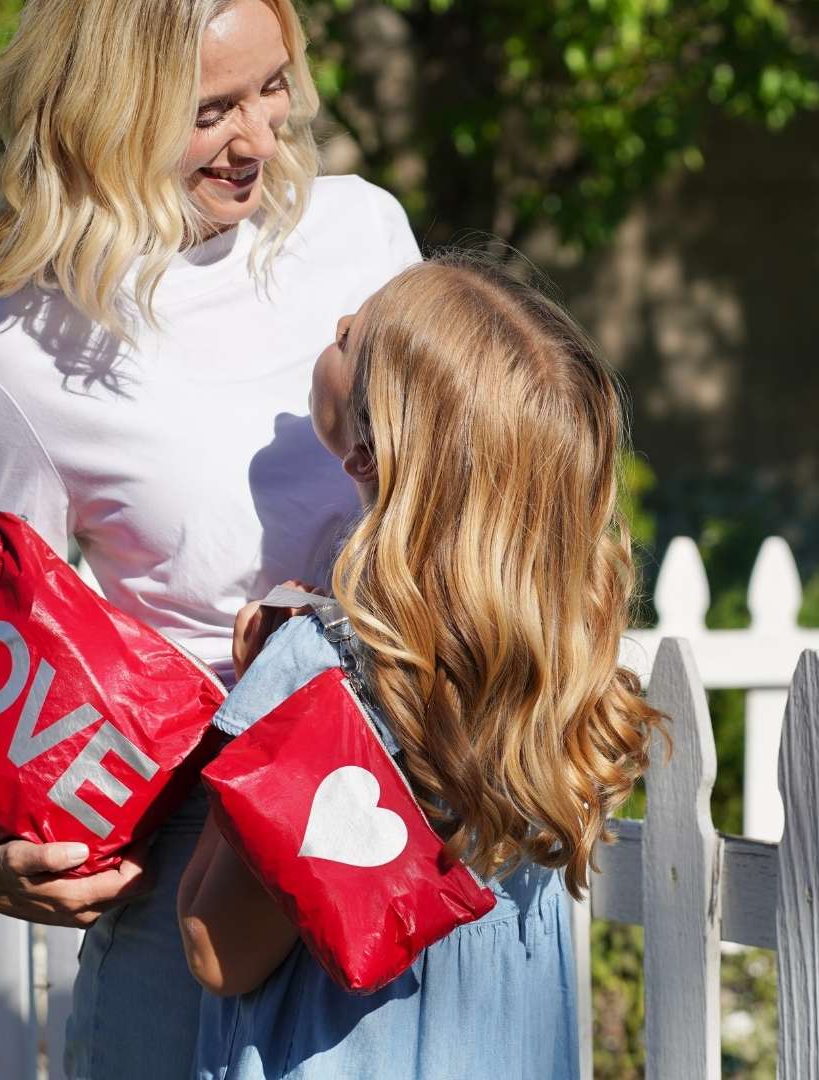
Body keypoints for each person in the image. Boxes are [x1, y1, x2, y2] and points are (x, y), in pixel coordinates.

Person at [0, 0, 421, 1076]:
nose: (259, 138)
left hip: (416, 815)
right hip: (201, 872)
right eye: (211, 110)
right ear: (107, 110)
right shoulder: (20, 358)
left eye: (271, 88)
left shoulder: (364, 234)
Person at [177, 254, 668, 1079]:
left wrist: (268, 704)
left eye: (349, 336)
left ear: (367, 455)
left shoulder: (322, 670)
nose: (330, 331)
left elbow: (215, 946)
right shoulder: (565, 670)